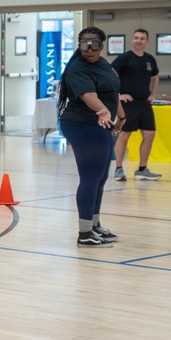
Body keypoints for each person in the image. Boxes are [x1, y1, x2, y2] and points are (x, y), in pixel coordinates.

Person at [57, 27, 123, 248]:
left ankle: (94, 226)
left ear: (101, 45)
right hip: (81, 124)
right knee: (90, 177)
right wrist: (104, 111)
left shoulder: (105, 65)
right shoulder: (77, 68)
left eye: (94, 44)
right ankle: (84, 234)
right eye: (85, 44)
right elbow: (88, 96)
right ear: (79, 45)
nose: (89, 49)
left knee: (101, 177)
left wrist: (121, 115)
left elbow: (113, 92)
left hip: (100, 125)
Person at [111, 29, 161, 181]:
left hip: (144, 104)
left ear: (147, 42)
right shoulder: (125, 58)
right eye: (136, 38)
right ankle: (119, 169)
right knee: (124, 135)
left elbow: (155, 77)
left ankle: (142, 169)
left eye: (142, 38)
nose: (139, 40)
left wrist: (152, 94)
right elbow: (109, 75)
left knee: (149, 135)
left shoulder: (149, 59)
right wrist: (118, 95)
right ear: (132, 40)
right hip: (128, 104)